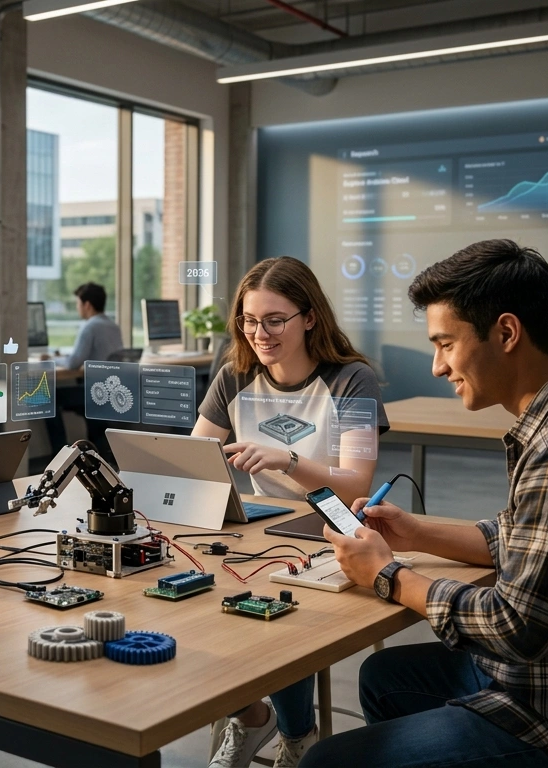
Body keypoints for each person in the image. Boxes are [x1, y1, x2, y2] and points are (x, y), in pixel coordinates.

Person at [301, 240, 548, 767]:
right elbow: (519, 537)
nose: (438, 366)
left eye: (445, 343)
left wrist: (388, 575)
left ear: (507, 333)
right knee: (385, 677)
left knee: (325, 763)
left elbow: (516, 627)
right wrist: (415, 533)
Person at [197, 257, 389, 768]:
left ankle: (297, 735)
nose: (260, 333)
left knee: (278, 601)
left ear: (309, 317)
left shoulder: (353, 379)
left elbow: (357, 482)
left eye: (275, 320)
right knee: (188, 593)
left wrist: (290, 459)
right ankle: (252, 716)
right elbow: (195, 462)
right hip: (264, 528)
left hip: (334, 528)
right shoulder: (233, 377)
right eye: (249, 320)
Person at [44, 282, 123, 455]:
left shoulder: (90, 327)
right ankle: (98, 446)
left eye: (78, 304)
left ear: (87, 305)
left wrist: (53, 359)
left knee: (48, 397)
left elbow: (73, 363)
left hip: (96, 393)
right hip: (113, 392)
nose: (78, 308)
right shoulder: (113, 326)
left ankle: (61, 452)